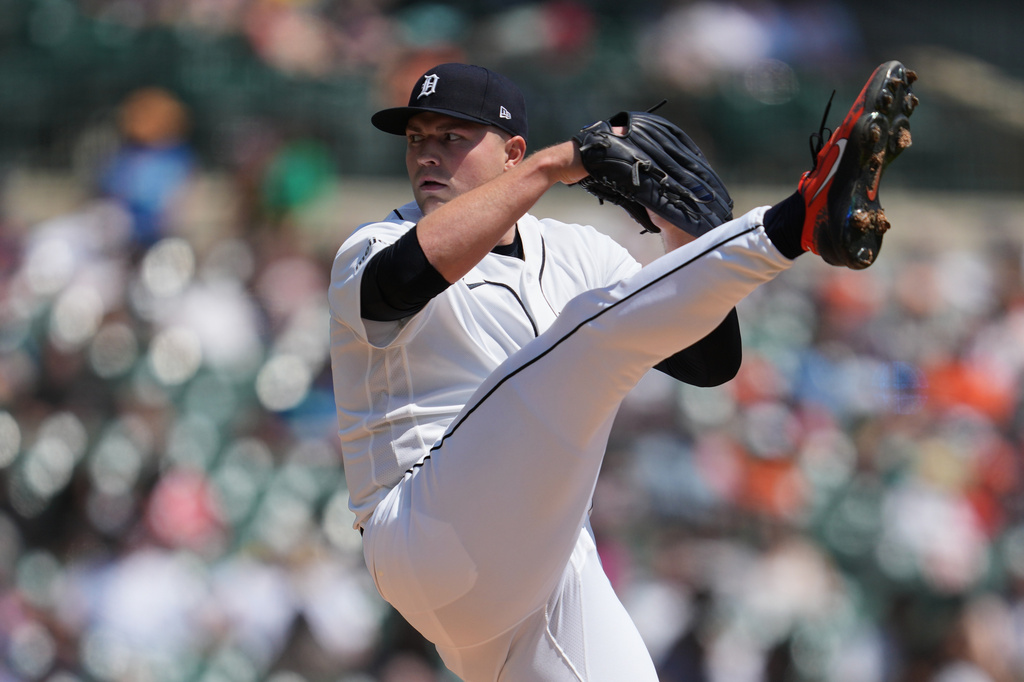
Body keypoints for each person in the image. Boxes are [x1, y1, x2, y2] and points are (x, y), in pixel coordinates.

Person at [329, 61, 916, 680]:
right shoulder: (373, 244)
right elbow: (397, 285)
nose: (427, 154)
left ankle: (790, 223)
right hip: (424, 532)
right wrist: (555, 166)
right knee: (583, 340)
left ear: (512, 152)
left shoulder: (577, 250)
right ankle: (798, 222)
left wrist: (683, 235)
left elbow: (709, 361)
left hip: (545, 566)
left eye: (452, 137)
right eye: (417, 138)